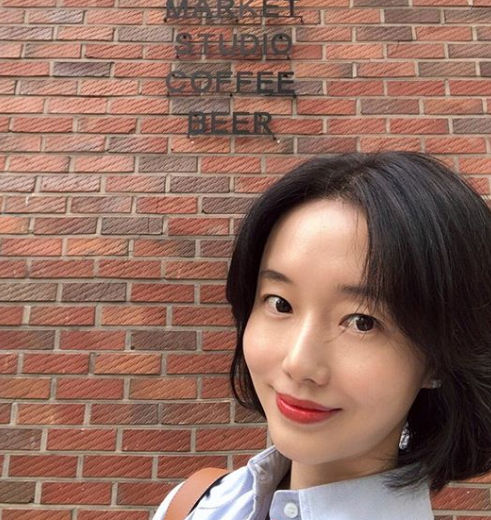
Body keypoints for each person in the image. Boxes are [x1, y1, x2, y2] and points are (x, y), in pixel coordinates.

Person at [153, 151, 491, 520]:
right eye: (280, 303)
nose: (299, 363)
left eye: (362, 322)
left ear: (439, 358)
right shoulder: (192, 504)